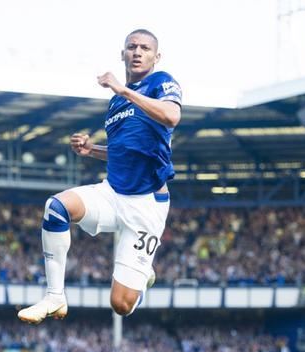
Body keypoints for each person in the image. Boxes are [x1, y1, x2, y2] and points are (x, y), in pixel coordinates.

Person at [18, 29, 182, 324]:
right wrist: (92, 150)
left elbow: (172, 116)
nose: (137, 52)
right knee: (57, 207)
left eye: (145, 48)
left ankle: (143, 274)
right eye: (131, 47)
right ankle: (55, 295)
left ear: (156, 57)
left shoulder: (161, 82)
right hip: (113, 193)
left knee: (120, 305)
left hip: (146, 205)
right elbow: (124, 150)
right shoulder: (116, 105)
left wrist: (124, 90)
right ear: (122, 53)